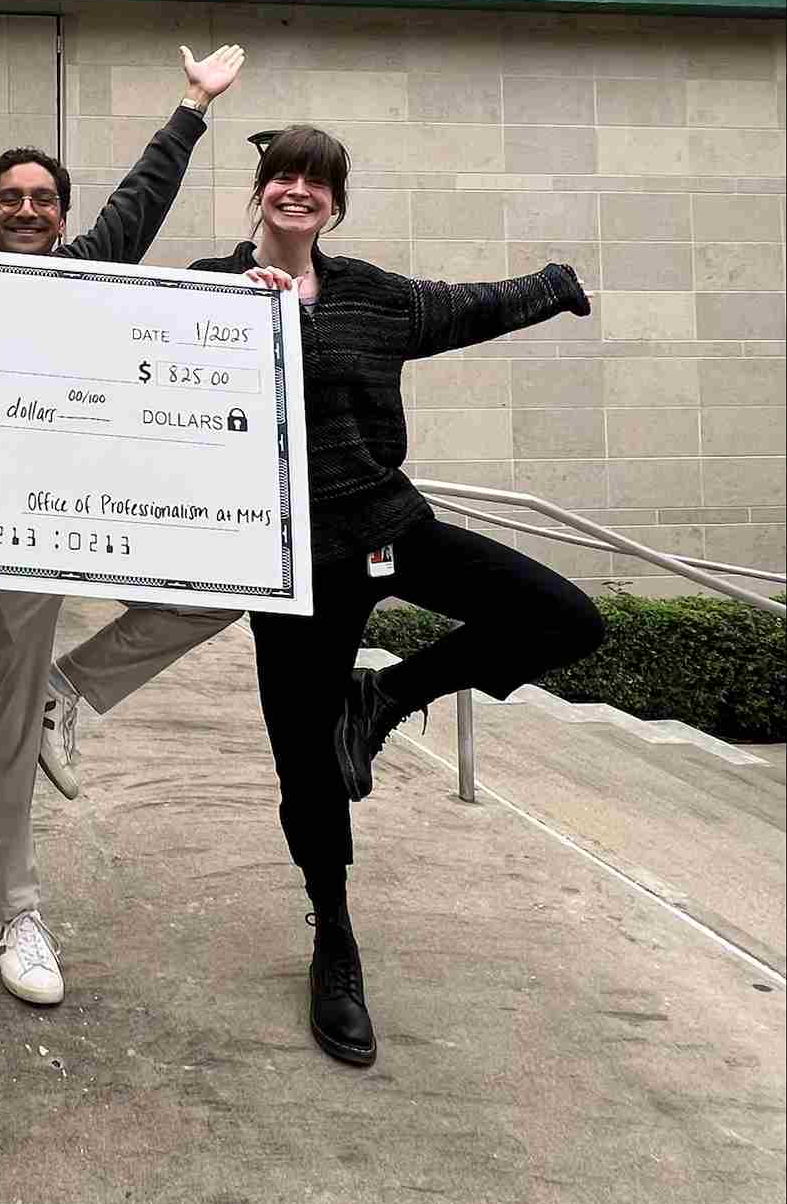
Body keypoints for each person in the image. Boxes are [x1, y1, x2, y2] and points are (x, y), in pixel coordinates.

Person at [190, 127, 603, 1071]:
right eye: (282, 177)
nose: (297, 191)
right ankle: (334, 940)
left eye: (317, 182)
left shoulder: (373, 293)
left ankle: (385, 697)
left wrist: (553, 282)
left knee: (566, 619)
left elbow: (466, 308)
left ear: (336, 203)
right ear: (259, 192)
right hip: (288, 561)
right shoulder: (208, 287)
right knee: (305, 762)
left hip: (386, 524)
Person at [0, 39, 249, 1006]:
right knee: (1, 731)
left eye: (44, 199)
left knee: (228, 583)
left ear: (62, 217)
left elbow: (143, 200)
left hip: (103, 510)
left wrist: (193, 107)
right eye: (10, 200)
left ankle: (71, 690)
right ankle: (16, 913)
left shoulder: (88, 269)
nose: (27, 210)